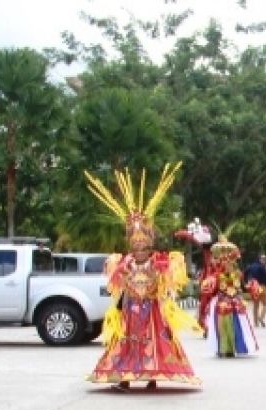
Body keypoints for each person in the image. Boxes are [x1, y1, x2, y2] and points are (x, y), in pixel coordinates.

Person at [83, 163, 201, 391]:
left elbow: (166, 283)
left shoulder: (160, 261)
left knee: (154, 341)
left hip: (151, 309)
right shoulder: (122, 261)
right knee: (127, 342)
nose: (138, 246)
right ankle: (125, 377)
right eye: (134, 243)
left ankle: (152, 376)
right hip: (129, 309)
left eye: (142, 242)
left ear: (149, 242)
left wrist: (156, 279)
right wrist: (125, 281)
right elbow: (116, 285)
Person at [210, 238, 259, 357]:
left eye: (230, 263)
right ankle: (225, 348)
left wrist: (252, 287)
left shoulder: (238, 274)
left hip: (235, 301)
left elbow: (243, 286)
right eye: (225, 263)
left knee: (238, 325)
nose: (228, 265)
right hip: (222, 301)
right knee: (224, 325)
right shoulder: (218, 275)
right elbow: (213, 289)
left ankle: (238, 346)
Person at [243, 253, 266, 327]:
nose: (264, 260)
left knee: (255, 305)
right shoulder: (261, 267)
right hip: (262, 286)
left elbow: (243, 274)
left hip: (253, 287)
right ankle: (261, 317)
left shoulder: (250, 267)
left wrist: (247, 282)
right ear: (259, 259)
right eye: (263, 259)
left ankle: (255, 323)